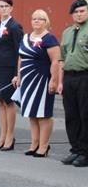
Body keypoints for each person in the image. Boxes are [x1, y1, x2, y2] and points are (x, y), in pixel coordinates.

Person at [14, 9, 60, 158]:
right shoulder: (26, 37)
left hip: (42, 80)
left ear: (46, 21)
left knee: (43, 114)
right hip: (27, 80)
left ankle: (44, 145)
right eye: (34, 19)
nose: (36, 21)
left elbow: (55, 61)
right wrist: (19, 76)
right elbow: (21, 58)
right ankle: (34, 143)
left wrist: (54, 80)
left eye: (40, 19)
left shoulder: (50, 39)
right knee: (32, 114)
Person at [0, 0, 23, 151]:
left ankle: (10, 136)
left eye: (6, 6)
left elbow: (19, 52)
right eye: (0, 6)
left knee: (8, 102)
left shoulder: (15, 27)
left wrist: (17, 73)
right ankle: (2, 134)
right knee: (0, 102)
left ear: (11, 8)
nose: (3, 9)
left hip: (9, 70)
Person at [58, 0, 88, 167]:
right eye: (76, 12)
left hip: (85, 76)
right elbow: (62, 58)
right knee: (71, 116)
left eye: (82, 11)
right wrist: (61, 82)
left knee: (85, 116)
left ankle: (85, 152)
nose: (78, 14)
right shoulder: (67, 32)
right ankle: (75, 149)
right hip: (69, 78)